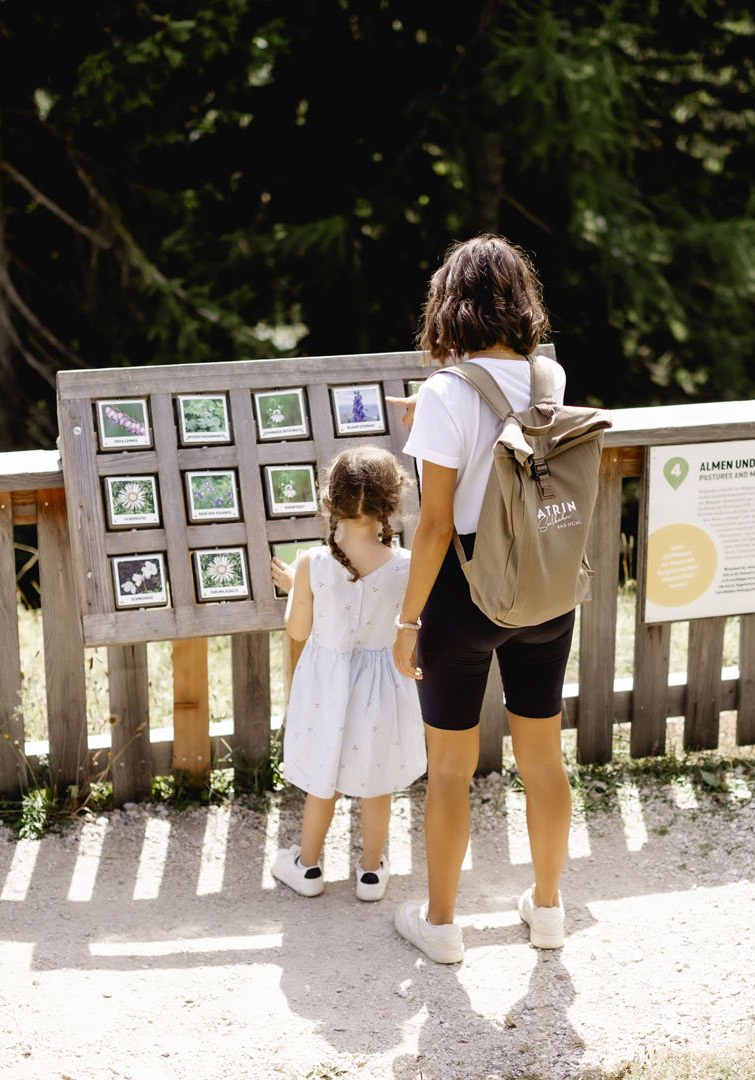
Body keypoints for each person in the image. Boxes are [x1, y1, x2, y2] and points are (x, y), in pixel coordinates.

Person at [389, 234, 575, 964]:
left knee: (452, 771)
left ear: (450, 303)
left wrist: (408, 621)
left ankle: (441, 923)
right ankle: (550, 909)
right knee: (543, 762)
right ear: (520, 301)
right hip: (545, 591)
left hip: (463, 599)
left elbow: (434, 523)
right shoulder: (551, 377)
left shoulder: (444, 394)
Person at [269, 446, 427, 902]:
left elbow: (298, 630)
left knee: (326, 779)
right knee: (376, 782)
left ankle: (308, 866)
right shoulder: (406, 564)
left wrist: (298, 588)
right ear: (390, 502)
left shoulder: (311, 563)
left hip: (327, 689)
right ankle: (371, 874)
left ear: (330, 501)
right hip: (381, 688)